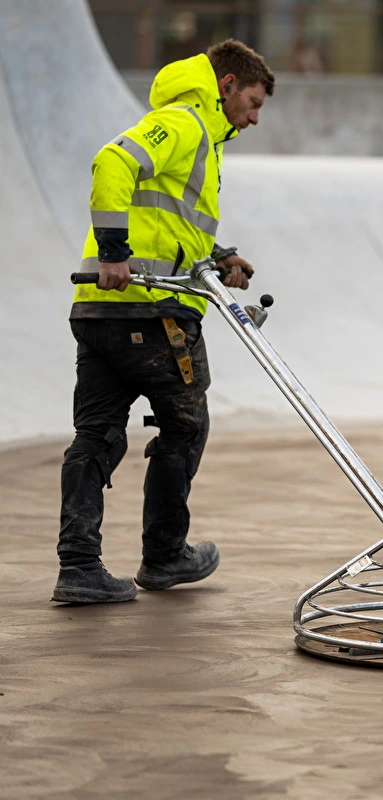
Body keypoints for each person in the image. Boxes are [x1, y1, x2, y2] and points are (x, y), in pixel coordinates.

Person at [53, 40, 275, 604]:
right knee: (184, 426)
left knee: (96, 433)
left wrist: (218, 253)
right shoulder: (184, 122)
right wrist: (112, 252)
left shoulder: (197, 134)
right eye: (251, 103)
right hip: (154, 312)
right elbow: (112, 162)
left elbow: (167, 216)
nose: (253, 118)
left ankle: (78, 568)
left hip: (103, 312)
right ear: (226, 85)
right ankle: (164, 556)